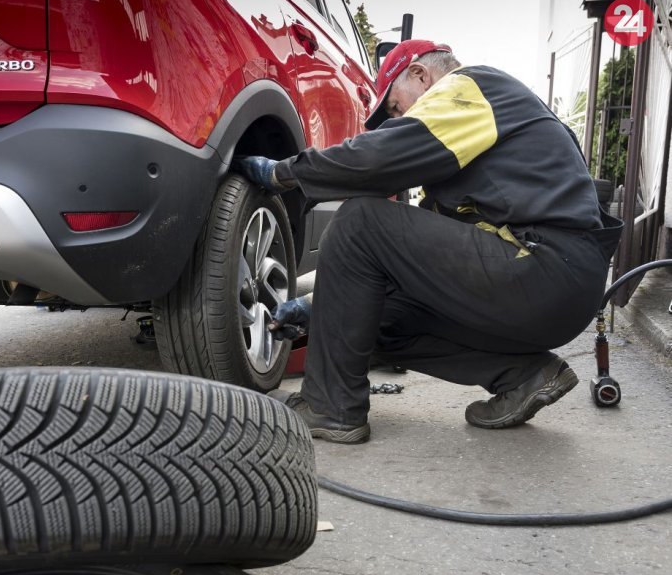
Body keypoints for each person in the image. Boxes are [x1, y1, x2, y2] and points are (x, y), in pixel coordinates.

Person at [236, 39, 622, 444]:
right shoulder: (465, 159)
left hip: (544, 265)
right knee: (379, 321)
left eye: (396, 108)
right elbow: (406, 267)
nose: (396, 121)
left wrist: (284, 173)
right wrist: (320, 307)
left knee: (359, 221)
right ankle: (525, 375)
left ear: (421, 75)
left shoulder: (471, 87)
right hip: (548, 287)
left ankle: (330, 407)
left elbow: (376, 159)